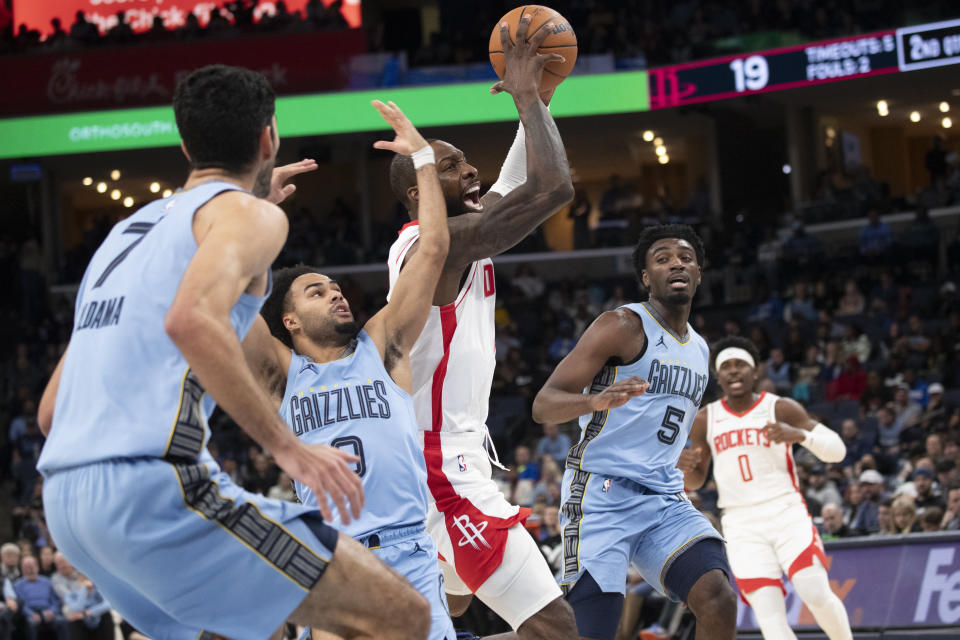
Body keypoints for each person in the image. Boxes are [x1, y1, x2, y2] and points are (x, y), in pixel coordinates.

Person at [35, 65, 429, 640]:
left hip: (67, 507)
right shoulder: (251, 216)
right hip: (150, 489)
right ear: (269, 138)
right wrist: (288, 448)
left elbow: (50, 412)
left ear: (184, 143)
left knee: (245, 630)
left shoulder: (121, 238)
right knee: (401, 614)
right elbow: (191, 319)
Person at [385, 14, 577, 640]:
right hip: (442, 468)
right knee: (554, 626)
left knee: (455, 610)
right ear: (418, 193)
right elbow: (553, 188)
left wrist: (540, 96)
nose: (471, 173)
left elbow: (517, 182)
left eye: (468, 162)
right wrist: (524, 95)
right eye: (451, 165)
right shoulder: (431, 249)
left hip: (449, 456)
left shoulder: (456, 241)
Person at [244, 100, 456, 640]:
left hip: (409, 549)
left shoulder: (380, 345)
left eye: (336, 288)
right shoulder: (277, 374)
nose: (336, 294)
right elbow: (227, 299)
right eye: (318, 292)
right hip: (335, 564)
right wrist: (254, 210)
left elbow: (432, 249)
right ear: (288, 320)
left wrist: (424, 158)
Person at [533, 224, 735, 640]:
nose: (675, 263)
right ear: (646, 278)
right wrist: (594, 401)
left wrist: (686, 462)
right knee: (588, 634)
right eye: (661, 259)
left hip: (663, 497)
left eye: (685, 257)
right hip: (600, 496)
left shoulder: (699, 350)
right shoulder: (622, 325)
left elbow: (674, 448)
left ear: (698, 271)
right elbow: (543, 403)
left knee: (718, 598)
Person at [684, 336, 852, 640]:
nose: (734, 371)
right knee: (769, 615)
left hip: (785, 511)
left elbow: (838, 451)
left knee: (814, 591)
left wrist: (799, 434)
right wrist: (686, 471)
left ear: (755, 371)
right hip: (740, 523)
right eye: (726, 367)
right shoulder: (706, 419)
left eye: (741, 365)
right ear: (718, 377)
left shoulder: (780, 407)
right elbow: (696, 480)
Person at [12, 556, 69, 640]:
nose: (30, 570)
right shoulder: (17, 585)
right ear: (22, 570)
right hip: (30, 614)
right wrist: (31, 613)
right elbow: (19, 604)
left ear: (37, 567)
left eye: (31, 567)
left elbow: (56, 601)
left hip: (48, 611)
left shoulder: (48, 582)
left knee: (62, 621)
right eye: (26, 568)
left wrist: (52, 611)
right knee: (31, 623)